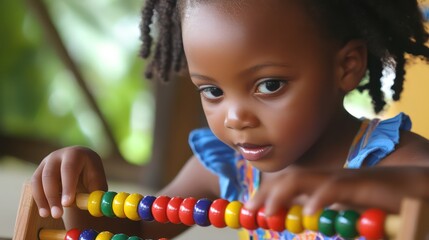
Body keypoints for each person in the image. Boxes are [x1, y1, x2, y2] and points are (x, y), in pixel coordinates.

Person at [31, 0, 429, 239]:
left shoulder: (388, 160)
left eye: (269, 84)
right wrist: (82, 192)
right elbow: (129, 237)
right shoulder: (229, 169)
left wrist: (345, 187)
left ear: (347, 66)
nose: (236, 118)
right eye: (212, 91)